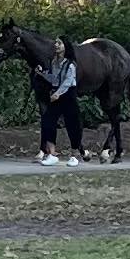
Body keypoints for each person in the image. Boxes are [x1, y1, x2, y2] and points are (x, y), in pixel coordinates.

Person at [36, 35, 83, 168]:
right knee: (48, 122)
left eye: (59, 43)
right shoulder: (54, 62)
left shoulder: (70, 64)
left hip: (68, 95)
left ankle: (74, 155)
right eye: (56, 42)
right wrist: (42, 74)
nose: (56, 45)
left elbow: (68, 81)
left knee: (72, 124)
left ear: (65, 46)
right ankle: (51, 154)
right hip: (56, 93)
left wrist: (58, 93)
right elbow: (54, 79)